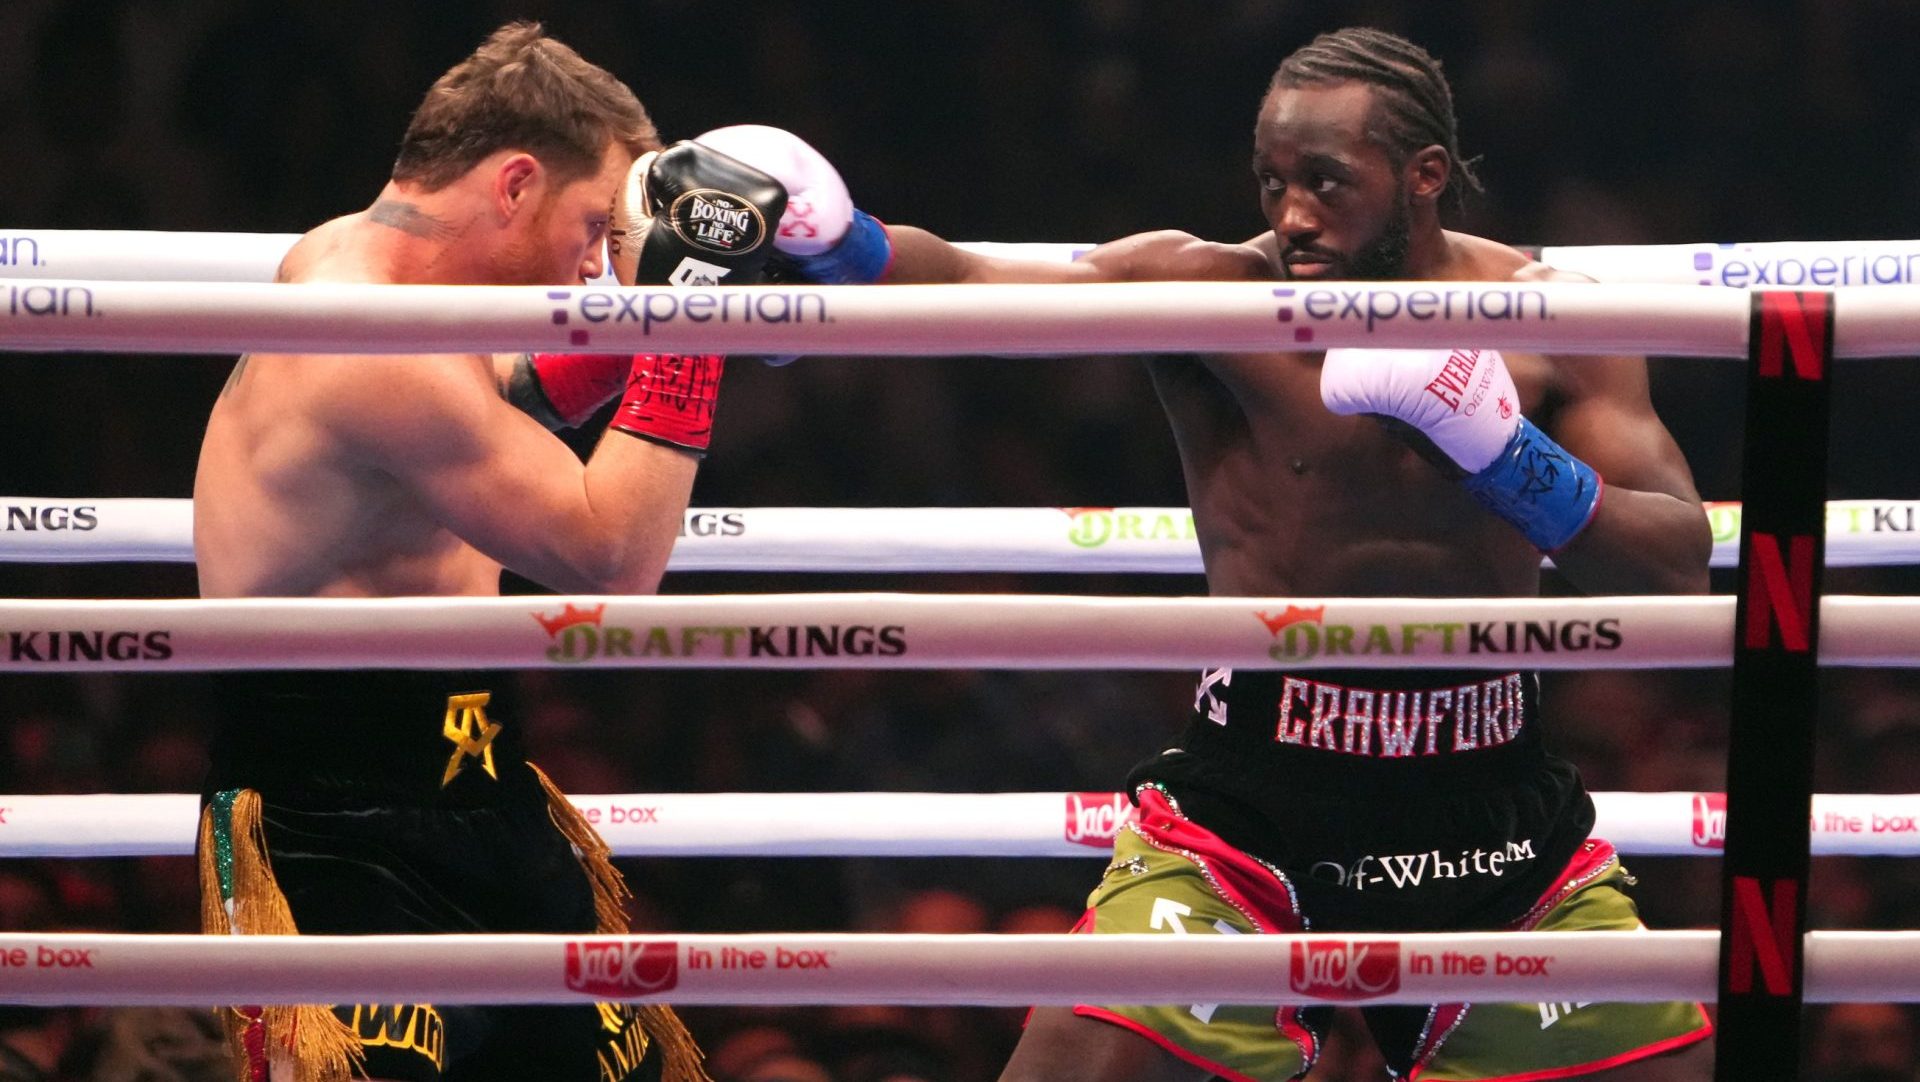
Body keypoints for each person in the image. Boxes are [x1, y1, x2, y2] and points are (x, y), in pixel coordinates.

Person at [713, 26, 1716, 1082]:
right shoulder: (1217, 296)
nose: (1291, 214)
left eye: (1327, 182)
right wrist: (848, 247)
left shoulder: (1550, 315)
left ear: (1424, 177)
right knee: (1070, 1062)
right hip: (1252, 804)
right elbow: (970, 278)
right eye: (1273, 179)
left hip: (1490, 809)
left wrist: (1503, 452)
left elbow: (1674, 562)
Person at [190, 23, 878, 1082]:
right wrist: (684, 320)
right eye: (596, 223)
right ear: (514, 182)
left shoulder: (379, 270)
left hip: (482, 782)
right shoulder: (362, 336)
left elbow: (501, 403)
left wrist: (692, 315)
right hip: (334, 824)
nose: (597, 261)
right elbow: (613, 555)